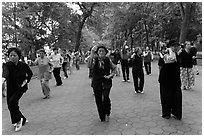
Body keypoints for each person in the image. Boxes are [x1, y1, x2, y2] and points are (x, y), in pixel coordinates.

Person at [2, 47, 33, 131]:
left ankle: (18, 120)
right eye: (10, 55)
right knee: (11, 105)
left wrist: (26, 80)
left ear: (18, 56)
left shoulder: (23, 65)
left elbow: (30, 73)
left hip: (20, 87)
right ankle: (23, 118)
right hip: (10, 88)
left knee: (12, 102)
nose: (12, 57)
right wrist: (3, 78)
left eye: (14, 55)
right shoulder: (7, 65)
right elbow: (5, 72)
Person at [88, 45, 116, 122]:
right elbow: (89, 65)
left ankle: (107, 112)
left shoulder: (108, 60)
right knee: (98, 100)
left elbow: (114, 68)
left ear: (105, 52)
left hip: (106, 82)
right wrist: (92, 53)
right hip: (97, 83)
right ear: (97, 53)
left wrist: (110, 75)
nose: (101, 52)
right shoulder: (94, 60)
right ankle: (102, 116)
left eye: (103, 51)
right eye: (99, 51)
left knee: (105, 97)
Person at [158, 40, 182, 120]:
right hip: (166, 78)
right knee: (166, 96)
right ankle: (166, 113)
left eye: (177, 46)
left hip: (175, 78)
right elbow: (164, 63)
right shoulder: (165, 52)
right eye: (174, 46)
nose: (176, 47)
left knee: (177, 96)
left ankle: (176, 113)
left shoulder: (177, 54)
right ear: (171, 46)